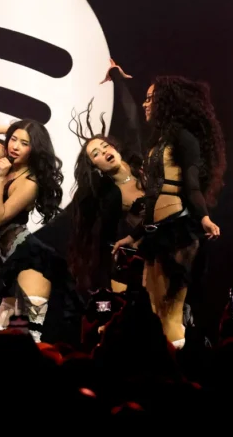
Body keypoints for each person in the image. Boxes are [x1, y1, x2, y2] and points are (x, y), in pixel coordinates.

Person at [113, 75, 226, 349]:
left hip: (178, 231)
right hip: (156, 234)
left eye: (150, 99)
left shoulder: (184, 139)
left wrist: (204, 217)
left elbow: (192, 186)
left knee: (171, 309)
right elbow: (152, 200)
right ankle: (166, 362)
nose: (145, 104)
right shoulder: (158, 140)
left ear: (166, 101)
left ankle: (181, 366)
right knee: (155, 310)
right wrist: (133, 236)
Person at [0, 119, 77, 343]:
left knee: (30, 334)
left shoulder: (29, 182)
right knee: (2, 336)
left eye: (24, 143)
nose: (15, 146)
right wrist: (12, 129)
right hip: (9, 261)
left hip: (29, 259)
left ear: (34, 148)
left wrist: (1, 178)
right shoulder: (8, 161)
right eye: (13, 139)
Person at [68, 58, 146, 295]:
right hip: (137, 259)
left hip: (169, 248)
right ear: (97, 167)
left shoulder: (139, 164)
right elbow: (103, 238)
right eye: (96, 154)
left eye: (105, 146)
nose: (104, 152)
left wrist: (117, 77)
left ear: (115, 148)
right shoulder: (110, 195)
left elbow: (132, 119)